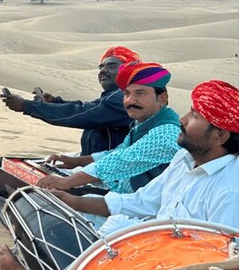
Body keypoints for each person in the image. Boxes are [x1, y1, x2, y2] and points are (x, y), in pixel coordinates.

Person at [0, 79, 239, 270]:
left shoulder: (230, 190)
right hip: (151, 236)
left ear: (220, 135)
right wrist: (75, 202)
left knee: (90, 257)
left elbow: (217, 268)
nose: (183, 119)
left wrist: (73, 182)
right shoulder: (185, 157)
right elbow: (142, 201)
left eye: (195, 116)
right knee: (74, 225)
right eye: (127, 94)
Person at [38, 61, 181, 194]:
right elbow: (116, 153)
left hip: (141, 211)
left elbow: (121, 161)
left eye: (140, 93)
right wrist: (75, 161)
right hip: (119, 193)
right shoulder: (143, 122)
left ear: (162, 99)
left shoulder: (166, 132)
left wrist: (69, 181)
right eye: (127, 94)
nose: (130, 100)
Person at [0, 46, 140, 155]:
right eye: (101, 67)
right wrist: (55, 102)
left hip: (110, 172)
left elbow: (83, 114)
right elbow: (91, 108)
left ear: (128, 70)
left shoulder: (122, 97)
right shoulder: (114, 95)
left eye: (111, 66)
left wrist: (27, 106)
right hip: (96, 162)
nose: (103, 71)